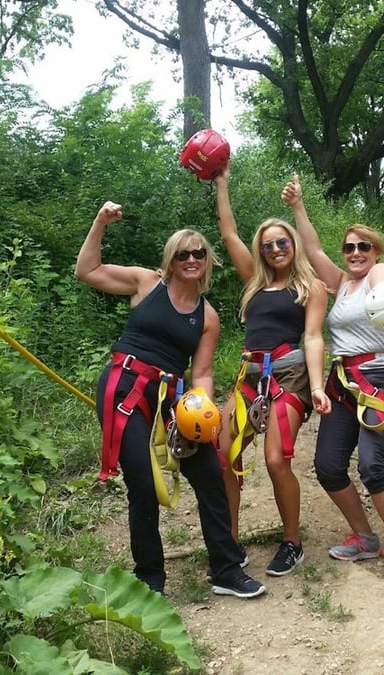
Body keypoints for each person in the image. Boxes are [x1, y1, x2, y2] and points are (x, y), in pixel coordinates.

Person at [75, 200, 265, 599]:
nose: (191, 258)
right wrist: (100, 223)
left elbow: (202, 372)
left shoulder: (207, 315)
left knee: (210, 474)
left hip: (173, 396)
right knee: (142, 482)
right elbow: (87, 271)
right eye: (183, 253)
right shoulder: (146, 283)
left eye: (198, 252)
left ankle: (226, 569)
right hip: (125, 387)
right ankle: (150, 580)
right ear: (172, 259)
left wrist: (202, 410)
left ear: (207, 260)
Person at [282, 176, 384, 588]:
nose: (356, 252)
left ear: (376, 251)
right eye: (350, 247)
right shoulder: (342, 283)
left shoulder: (380, 273)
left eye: (364, 246)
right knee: (327, 465)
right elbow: (311, 248)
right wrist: (298, 206)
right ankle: (364, 536)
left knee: (372, 463)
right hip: (343, 377)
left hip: (383, 375)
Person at [211, 167, 330, 577]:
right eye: (268, 245)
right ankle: (228, 542)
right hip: (248, 377)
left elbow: (313, 337)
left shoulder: (310, 287)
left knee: (276, 460)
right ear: (260, 252)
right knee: (223, 454)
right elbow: (228, 233)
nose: (276, 249)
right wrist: (222, 182)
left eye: (282, 243)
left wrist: (316, 386)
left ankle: (292, 542)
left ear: (292, 245)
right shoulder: (255, 283)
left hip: (288, 376)